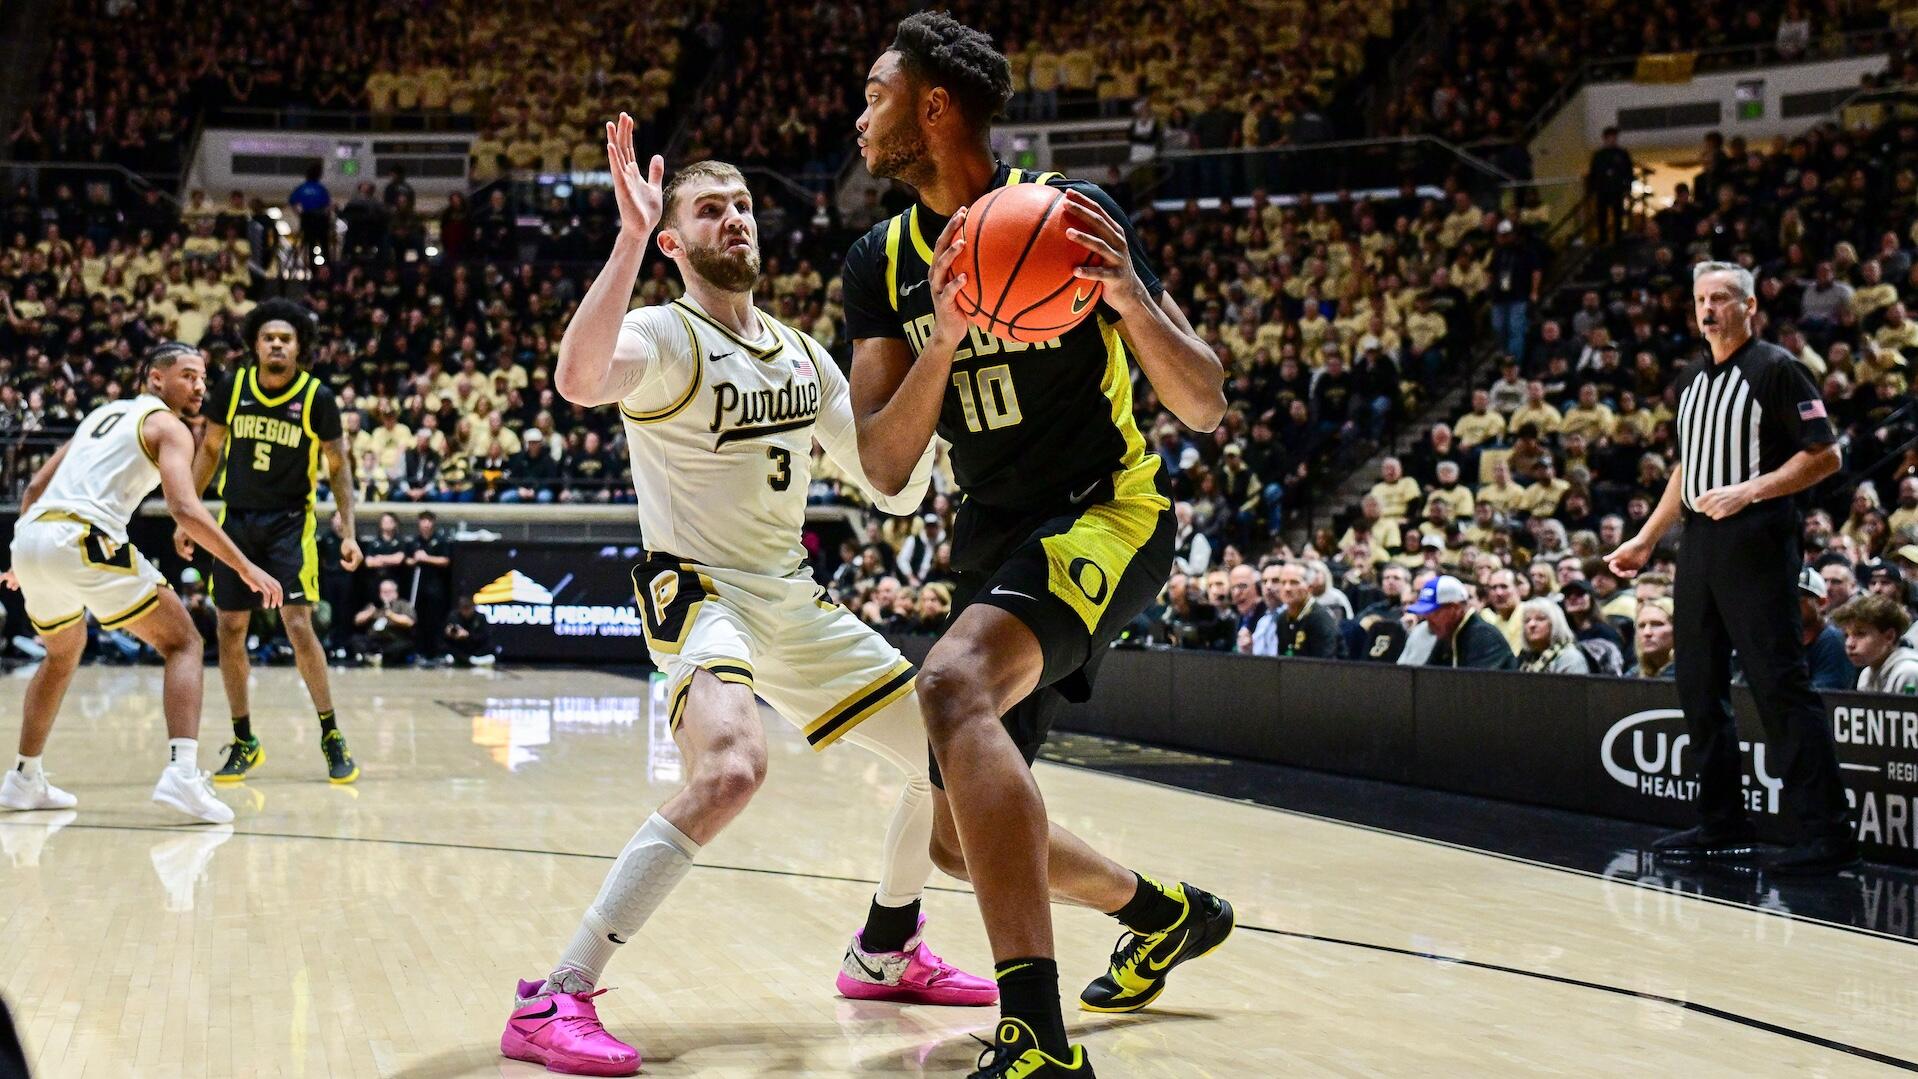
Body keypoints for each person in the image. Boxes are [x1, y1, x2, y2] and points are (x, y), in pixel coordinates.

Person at [499, 122, 993, 1077]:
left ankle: (886, 949)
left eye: (741, 205)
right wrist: (626, 240)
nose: (732, 219)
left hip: (789, 597)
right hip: (700, 590)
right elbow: (578, 378)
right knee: (731, 767)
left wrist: (942, 361)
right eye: (707, 209)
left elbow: (890, 487)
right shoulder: (665, 334)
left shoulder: (803, 354)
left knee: (944, 755)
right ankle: (556, 991)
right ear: (674, 241)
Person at [845, 14, 1233, 1076]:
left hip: (1107, 509)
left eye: (875, 94)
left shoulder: (1070, 215)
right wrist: (947, 336)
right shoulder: (880, 261)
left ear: (933, 106)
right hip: (993, 535)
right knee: (951, 840)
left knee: (950, 682)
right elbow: (883, 463)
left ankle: (1037, 1038)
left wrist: (1130, 300)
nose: (859, 117)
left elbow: (1203, 402)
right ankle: (1162, 913)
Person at [1606, 261, 1855, 875]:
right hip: (1699, 541)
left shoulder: (1777, 368)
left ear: (1749, 307)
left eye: (1721, 298)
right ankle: (1722, 822)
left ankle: (1826, 833)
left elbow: (1826, 456)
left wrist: (1751, 490)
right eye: (1700, 299)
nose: (1708, 309)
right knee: (1698, 683)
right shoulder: (1692, 378)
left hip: (1758, 538)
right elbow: (1688, 467)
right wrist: (1645, 539)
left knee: (1778, 683)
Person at [1, 343, 282, 822]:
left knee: (62, 652)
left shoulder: (100, 415)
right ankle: (182, 774)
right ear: (155, 379)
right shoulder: (168, 426)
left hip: (31, 539)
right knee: (184, 642)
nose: (199, 386)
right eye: (188, 375)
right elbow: (185, 508)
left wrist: (24, 558)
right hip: (83, 537)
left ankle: (24, 777)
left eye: (203, 377)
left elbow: (34, 488)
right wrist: (244, 566)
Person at [183, 299, 363, 785]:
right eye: (269, 338)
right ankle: (244, 739)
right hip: (235, 522)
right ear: (255, 345)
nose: (277, 345)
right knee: (229, 628)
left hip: (289, 523)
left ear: (300, 347)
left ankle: (331, 733)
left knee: (298, 624)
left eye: (286, 338)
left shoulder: (317, 397)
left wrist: (349, 532)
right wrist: (186, 515)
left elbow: (339, 467)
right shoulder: (233, 386)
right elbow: (210, 450)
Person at [1397, 575, 1516, 670]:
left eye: (1433, 612)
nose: (1428, 619)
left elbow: (1475, 688)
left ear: (1455, 609)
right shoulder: (1448, 633)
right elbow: (1428, 677)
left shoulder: (1484, 637)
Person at [1832, 594, 1918, 694]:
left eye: (1860, 634)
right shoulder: (1866, 674)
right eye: (1847, 635)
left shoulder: (1908, 672)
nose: (1849, 644)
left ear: (1889, 637)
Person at [1248, 561, 1336, 658]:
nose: (1287, 588)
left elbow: (1326, 662)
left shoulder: (1320, 619)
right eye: (1283, 582)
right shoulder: (1282, 619)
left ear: (1309, 588)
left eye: (1294, 582)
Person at [1795, 567, 1856, 691]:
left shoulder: (1832, 640)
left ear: (1821, 603)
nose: (1790, 605)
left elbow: (1826, 696)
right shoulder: (1787, 638)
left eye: (1798, 599)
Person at [1515, 598, 1592, 674]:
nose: (1531, 625)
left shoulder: (1570, 658)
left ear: (1555, 623)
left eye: (1540, 619)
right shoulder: (1525, 659)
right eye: (1527, 620)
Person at [352, 578, 416, 666]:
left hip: (393, 639)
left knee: (402, 646)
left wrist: (391, 615)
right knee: (356, 639)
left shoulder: (402, 604)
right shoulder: (375, 605)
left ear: (395, 592)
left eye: (389, 591)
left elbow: (410, 622)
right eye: (384, 592)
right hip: (375, 639)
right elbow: (357, 620)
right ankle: (373, 657)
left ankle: (378, 658)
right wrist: (369, 613)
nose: (386, 594)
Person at [1627, 598, 1677, 678]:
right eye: (1642, 626)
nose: (1647, 633)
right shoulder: (1634, 674)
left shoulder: (1688, 673)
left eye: (1656, 624)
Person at [442, 593, 495, 667]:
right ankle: (460, 659)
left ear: (473, 607)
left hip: (475, 649)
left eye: (468, 608)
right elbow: (445, 635)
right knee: (448, 653)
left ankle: (470, 660)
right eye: (463, 609)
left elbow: (484, 636)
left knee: (490, 655)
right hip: (458, 648)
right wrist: (449, 633)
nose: (465, 612)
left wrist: (468, 635)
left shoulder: (480, 617)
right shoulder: (453, 616)